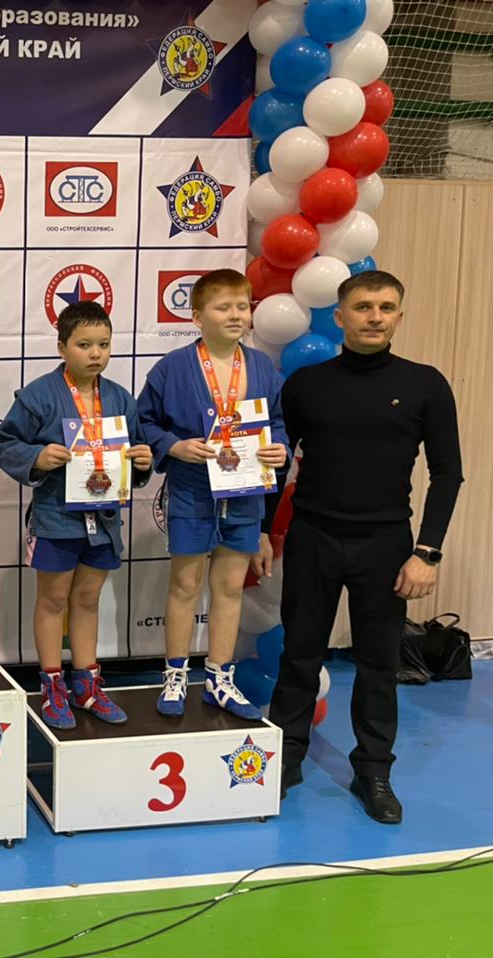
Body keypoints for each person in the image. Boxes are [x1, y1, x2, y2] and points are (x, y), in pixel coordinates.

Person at [266, 270, 462, 823]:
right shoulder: (305, 385)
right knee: (299, 654)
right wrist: (261, 529)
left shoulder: (426, 384)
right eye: (363, 307)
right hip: (313, 537)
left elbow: (447, 473)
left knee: (378, 664)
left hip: (386, 544)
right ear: (341, 316)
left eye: (386, 307)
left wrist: (427, 552)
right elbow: (275, 466)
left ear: (399, 315)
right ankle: (286, 759)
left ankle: (373, 770)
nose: (375, 317)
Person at [0, 302, 153, 728]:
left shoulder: (120, 398)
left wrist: (142, 463)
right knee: (53, 600)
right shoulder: (38, 395)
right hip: (56, 517)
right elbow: (4, 443)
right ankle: (51, 685)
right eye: (84, 345)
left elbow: (135, 454)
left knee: (87, 599)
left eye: (103, 344)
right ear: (62, 347)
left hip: (104, 519)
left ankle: (87, 685)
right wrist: (37, 456)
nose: (95, 353)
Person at [137, 269, 289, 719]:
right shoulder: (171, 368)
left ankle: (219, 677)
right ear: (197, 316)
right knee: (185, 584)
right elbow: (144, 422)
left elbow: (277, 422)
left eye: (242, 306)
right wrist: (173, 446)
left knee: (229, 586)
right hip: (192, 490)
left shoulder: (261, 367)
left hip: (244, 492)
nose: (236, 315)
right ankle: (175, 674)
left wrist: (279, 446)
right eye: (223, 307)